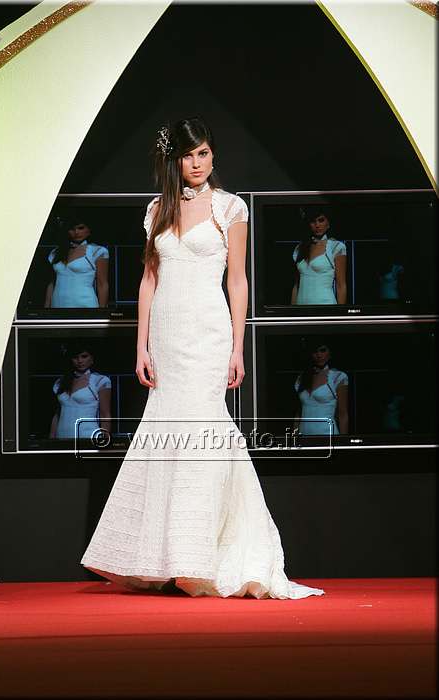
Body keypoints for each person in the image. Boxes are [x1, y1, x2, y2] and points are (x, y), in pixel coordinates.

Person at [80, 117, 325, 600]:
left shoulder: (231, 208)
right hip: (166, 335)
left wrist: (237, 346)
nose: (197, 163)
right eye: (189, 155)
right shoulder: (156, 210)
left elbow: (237, 280)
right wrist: (140, 344)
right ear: (174, 160)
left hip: (209, 334)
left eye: (204, 153)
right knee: (165, 433)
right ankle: (163, 557)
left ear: (213, 155)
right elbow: (148, 279)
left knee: (202, 433)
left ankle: (197, 557)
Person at [49, 343, 112, 440]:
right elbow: (57, 414)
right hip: (61, 437)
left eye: (84, 356)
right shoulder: (60, 382)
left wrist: (105, 440)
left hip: (88, 437)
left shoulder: (99, 381)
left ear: (92, 358)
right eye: (75, 357)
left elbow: (105, 414)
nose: (80, 361)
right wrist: (51, 438)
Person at [44, 220, 109, 308]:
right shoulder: (55, 253)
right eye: (72, 229)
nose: (76, 232)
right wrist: (46, 308)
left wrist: (101, 311)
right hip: (57, 305)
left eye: (81, 228)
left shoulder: (97, 251)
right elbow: (51, 284)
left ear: (89, 230)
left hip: (85, 306)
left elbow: (102, 284)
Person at [291, 207, 347, 305]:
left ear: (328, 223)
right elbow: (296, 285)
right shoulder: (300, 248)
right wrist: (292, 311)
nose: (317, 225)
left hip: (325, 307)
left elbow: (341, 285)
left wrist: (339, 312)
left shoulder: (336, 247)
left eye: (321, 220)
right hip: (301, 308)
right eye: (313, 221)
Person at [294, 339, 348, 436]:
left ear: (330, 353)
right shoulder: (302, 378)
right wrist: (294, 437)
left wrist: (343, 441)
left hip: (328, 435)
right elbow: (298, 413)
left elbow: (342, 414)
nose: (319, 355)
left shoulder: (337, 377)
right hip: (303, 437)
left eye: (322, 350)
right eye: (315, 351)